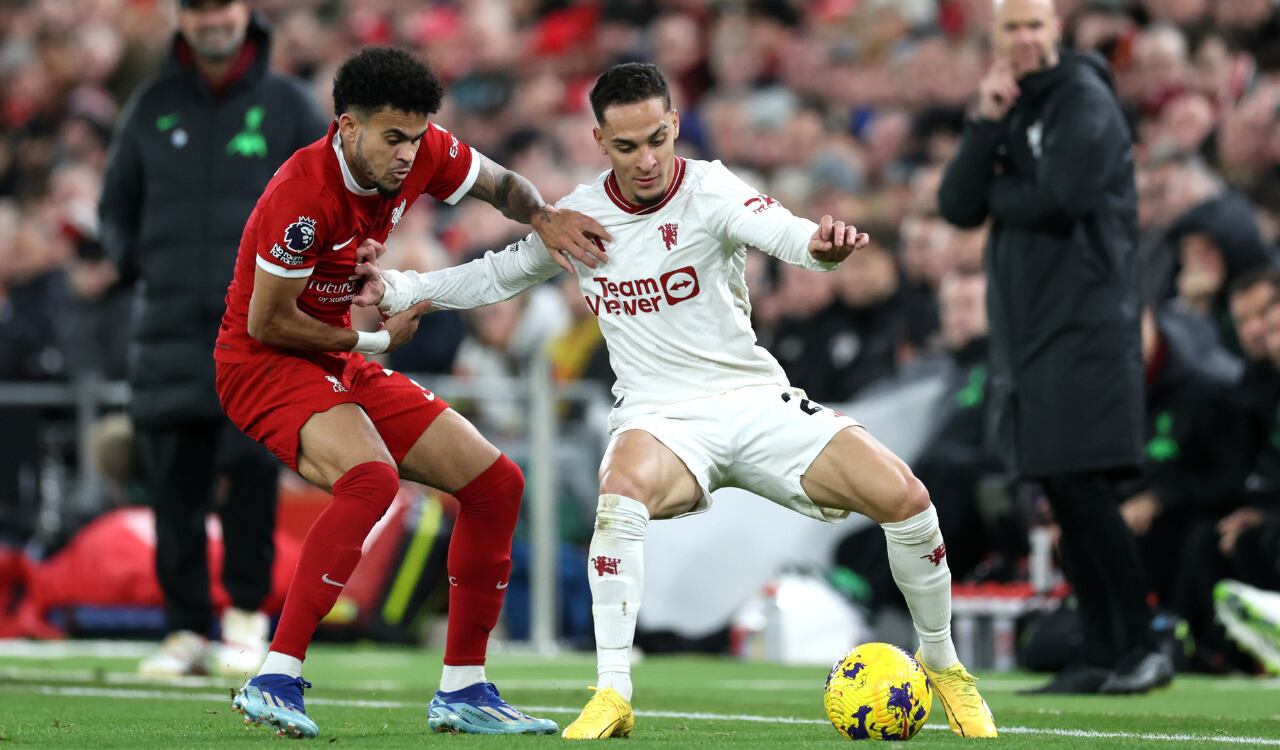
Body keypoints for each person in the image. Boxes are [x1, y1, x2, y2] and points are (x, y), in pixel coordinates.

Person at [365, 62, 997, 740]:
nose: (647, 160)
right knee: (620, 494)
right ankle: (612, 693)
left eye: (659, 139)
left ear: (673, 127)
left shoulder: (710, 189)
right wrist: (402, 291)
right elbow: (497, 275)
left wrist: (821, 249)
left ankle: (945, 666)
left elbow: (786, 233)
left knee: (907, 499)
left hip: (753, 399)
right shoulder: (579, 215)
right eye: (628, 146)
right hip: (658, 416)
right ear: (599, 141)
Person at [214, 47, 608, 738]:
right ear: (346, 127)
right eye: (393, 137)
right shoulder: (301, 196)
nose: (408, 153)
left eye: (417, 135)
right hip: (264, 362)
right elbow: (268, 321)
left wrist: (542, 217)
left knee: (496, 483)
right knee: (369, 480)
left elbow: (498, 183)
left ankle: (464, 688)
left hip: (334, 351)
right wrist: (372, 343)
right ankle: (274, 674)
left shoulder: (421, 149)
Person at [937, 0, 1173, 693]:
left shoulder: (1083, 97)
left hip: (1088, 325)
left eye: (1036, 25)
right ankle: (1102, 652)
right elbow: (956, 205)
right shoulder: (1010, 105)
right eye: (1012, 27)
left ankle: (1142, 644)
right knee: (1064, 494)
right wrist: (985, 124)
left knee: (1084, 487)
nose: (1026, 38)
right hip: (1032, 333)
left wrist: (997, 186)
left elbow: (1064, 195)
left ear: (1056, 32)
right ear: (995, 37)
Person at [97, 0, 328, 677]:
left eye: (219, 6)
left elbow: (331, 200)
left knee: (252, 472)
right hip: (167, 329)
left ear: (243, 11)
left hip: (260, 330)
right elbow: (116, 210)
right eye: (196, 9)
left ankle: (247, 621)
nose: (210, 20)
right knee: (173, 480)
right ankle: (186, 630)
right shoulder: (150, 105)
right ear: (181, 18)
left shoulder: (290, 105)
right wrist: (145, 266)